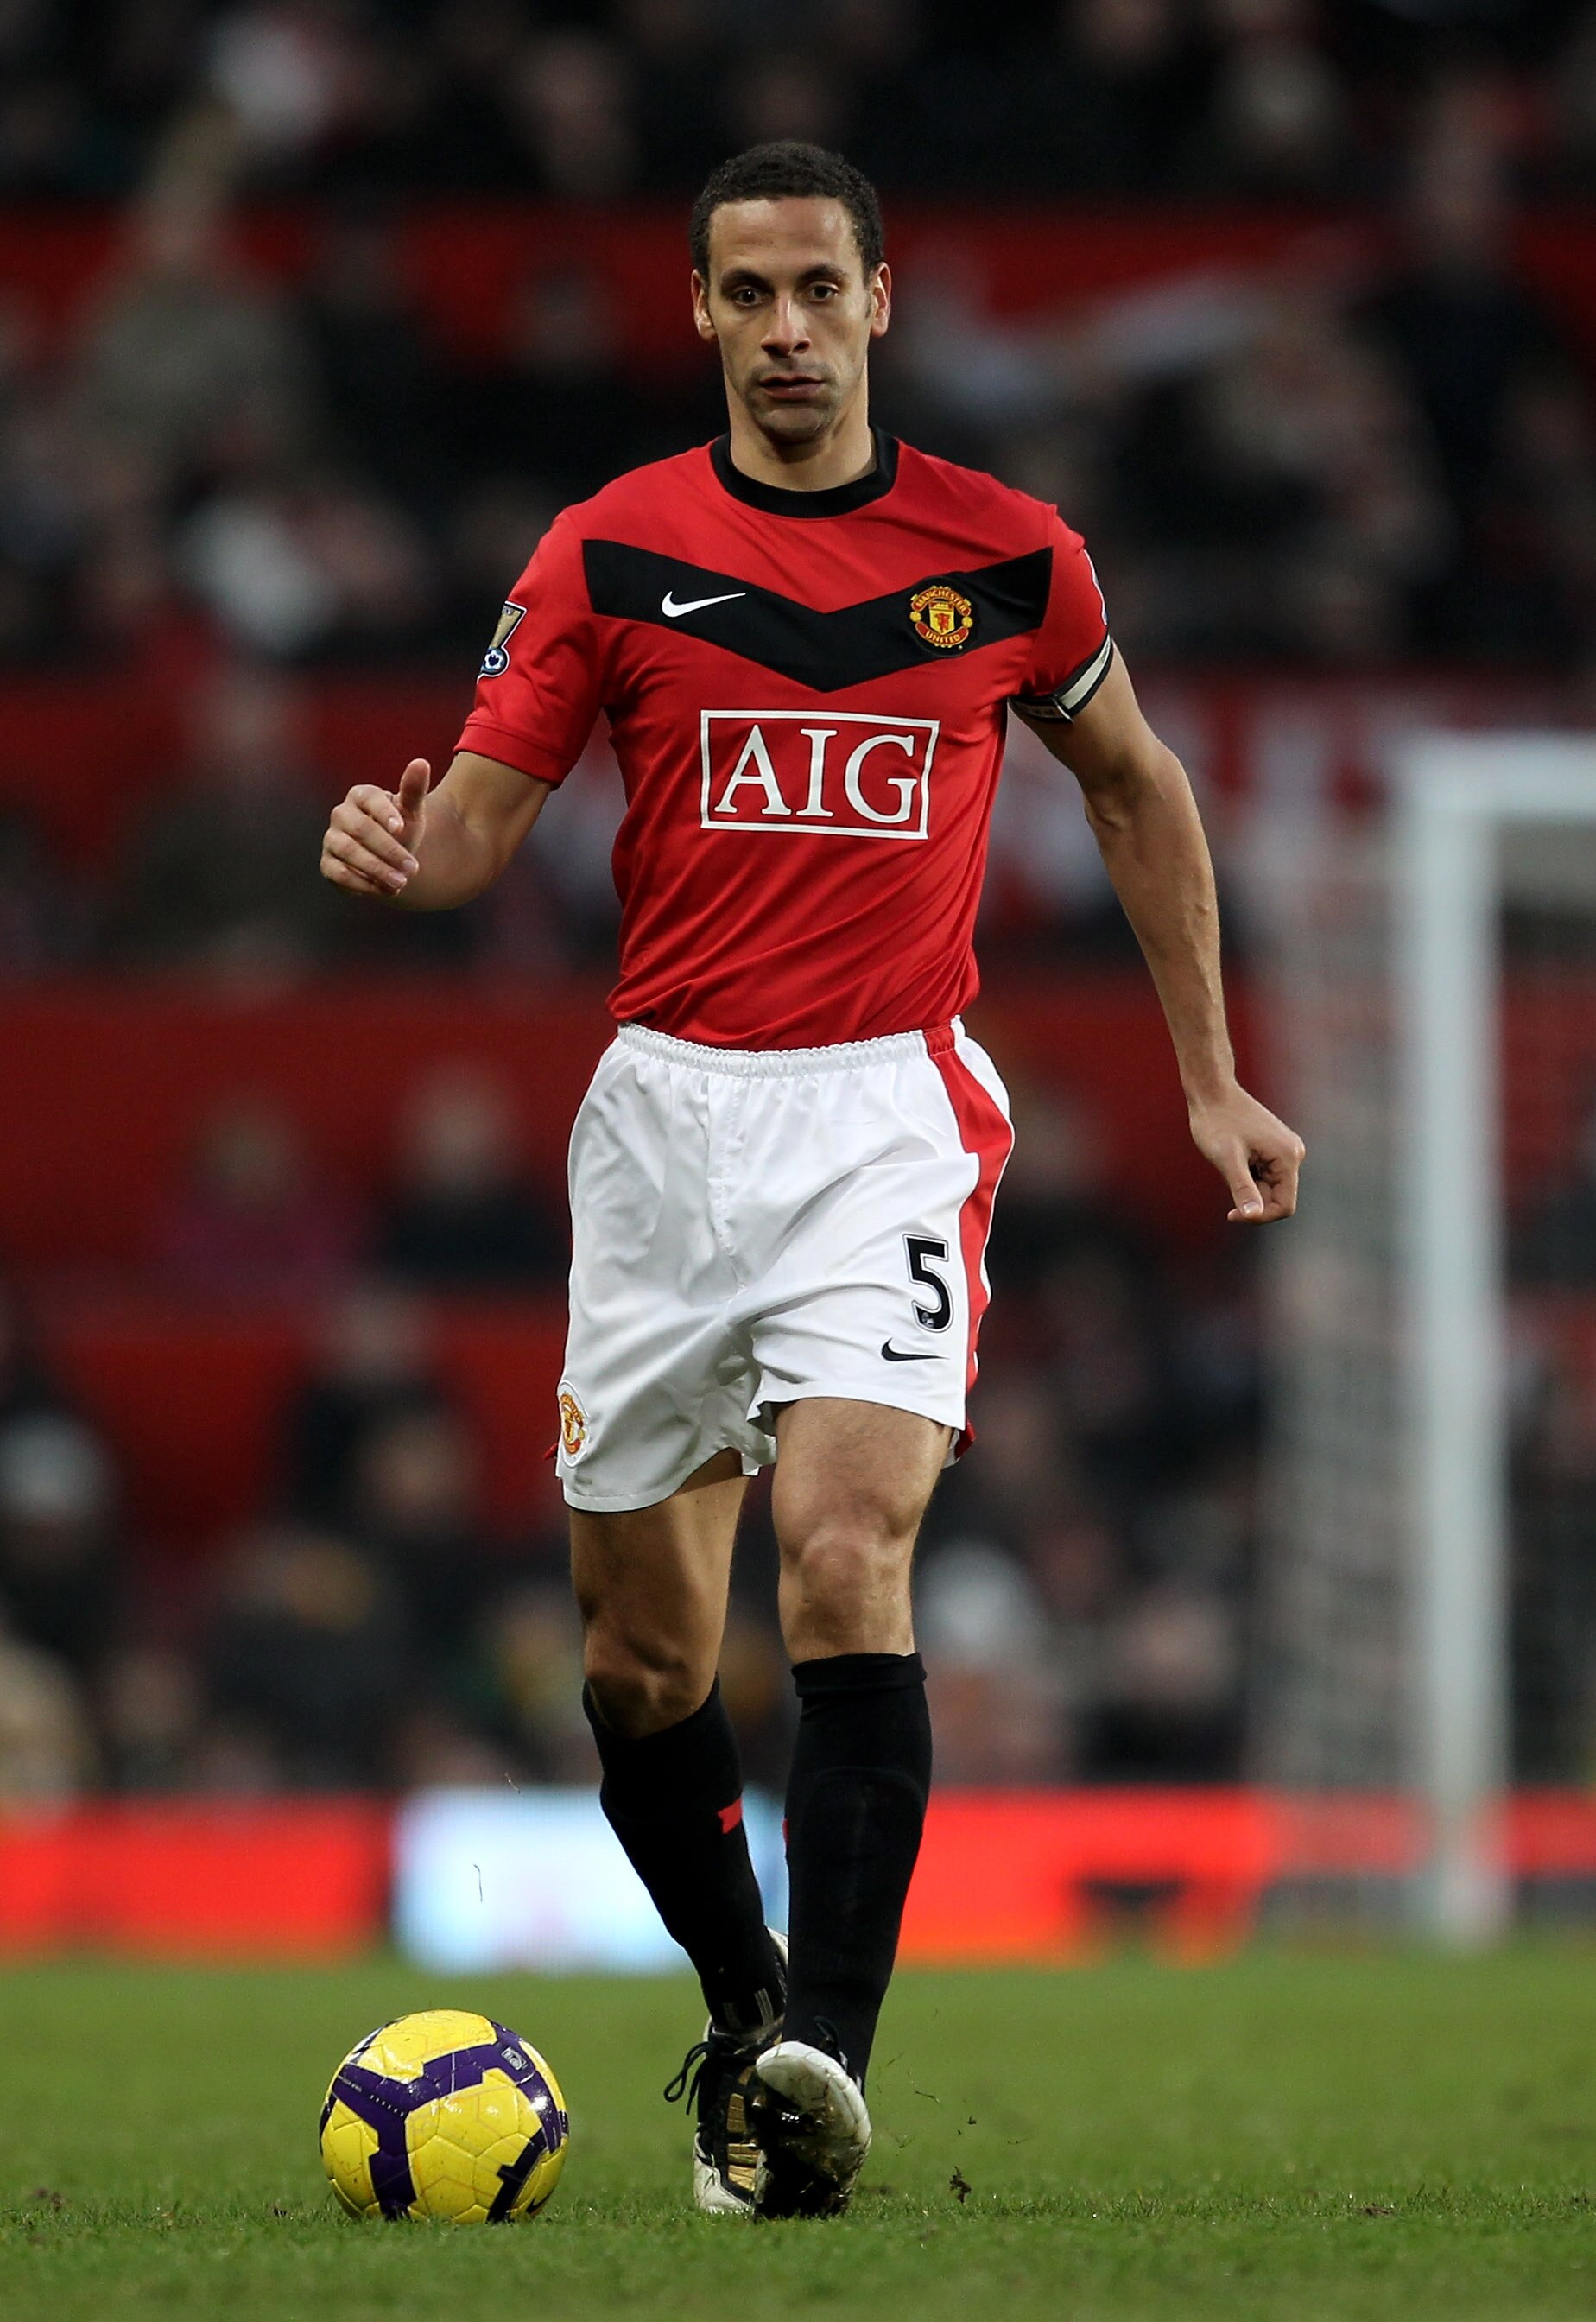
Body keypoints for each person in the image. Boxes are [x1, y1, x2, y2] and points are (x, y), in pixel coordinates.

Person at [319, 139, 1304, 2220]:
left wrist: (1213, 1079)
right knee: (642, 1667)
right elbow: (486, 825)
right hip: (666, 1125)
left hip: (884, 1113)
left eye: (817, 291)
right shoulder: (608, 553)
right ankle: (744, 1996)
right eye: (746, 293)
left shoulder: (1017, 561)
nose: (784, 329)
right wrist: (411, 854)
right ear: (700, 311)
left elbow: (1136, 787)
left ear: (881, 299)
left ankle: (815, 2077)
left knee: (847, 1555)